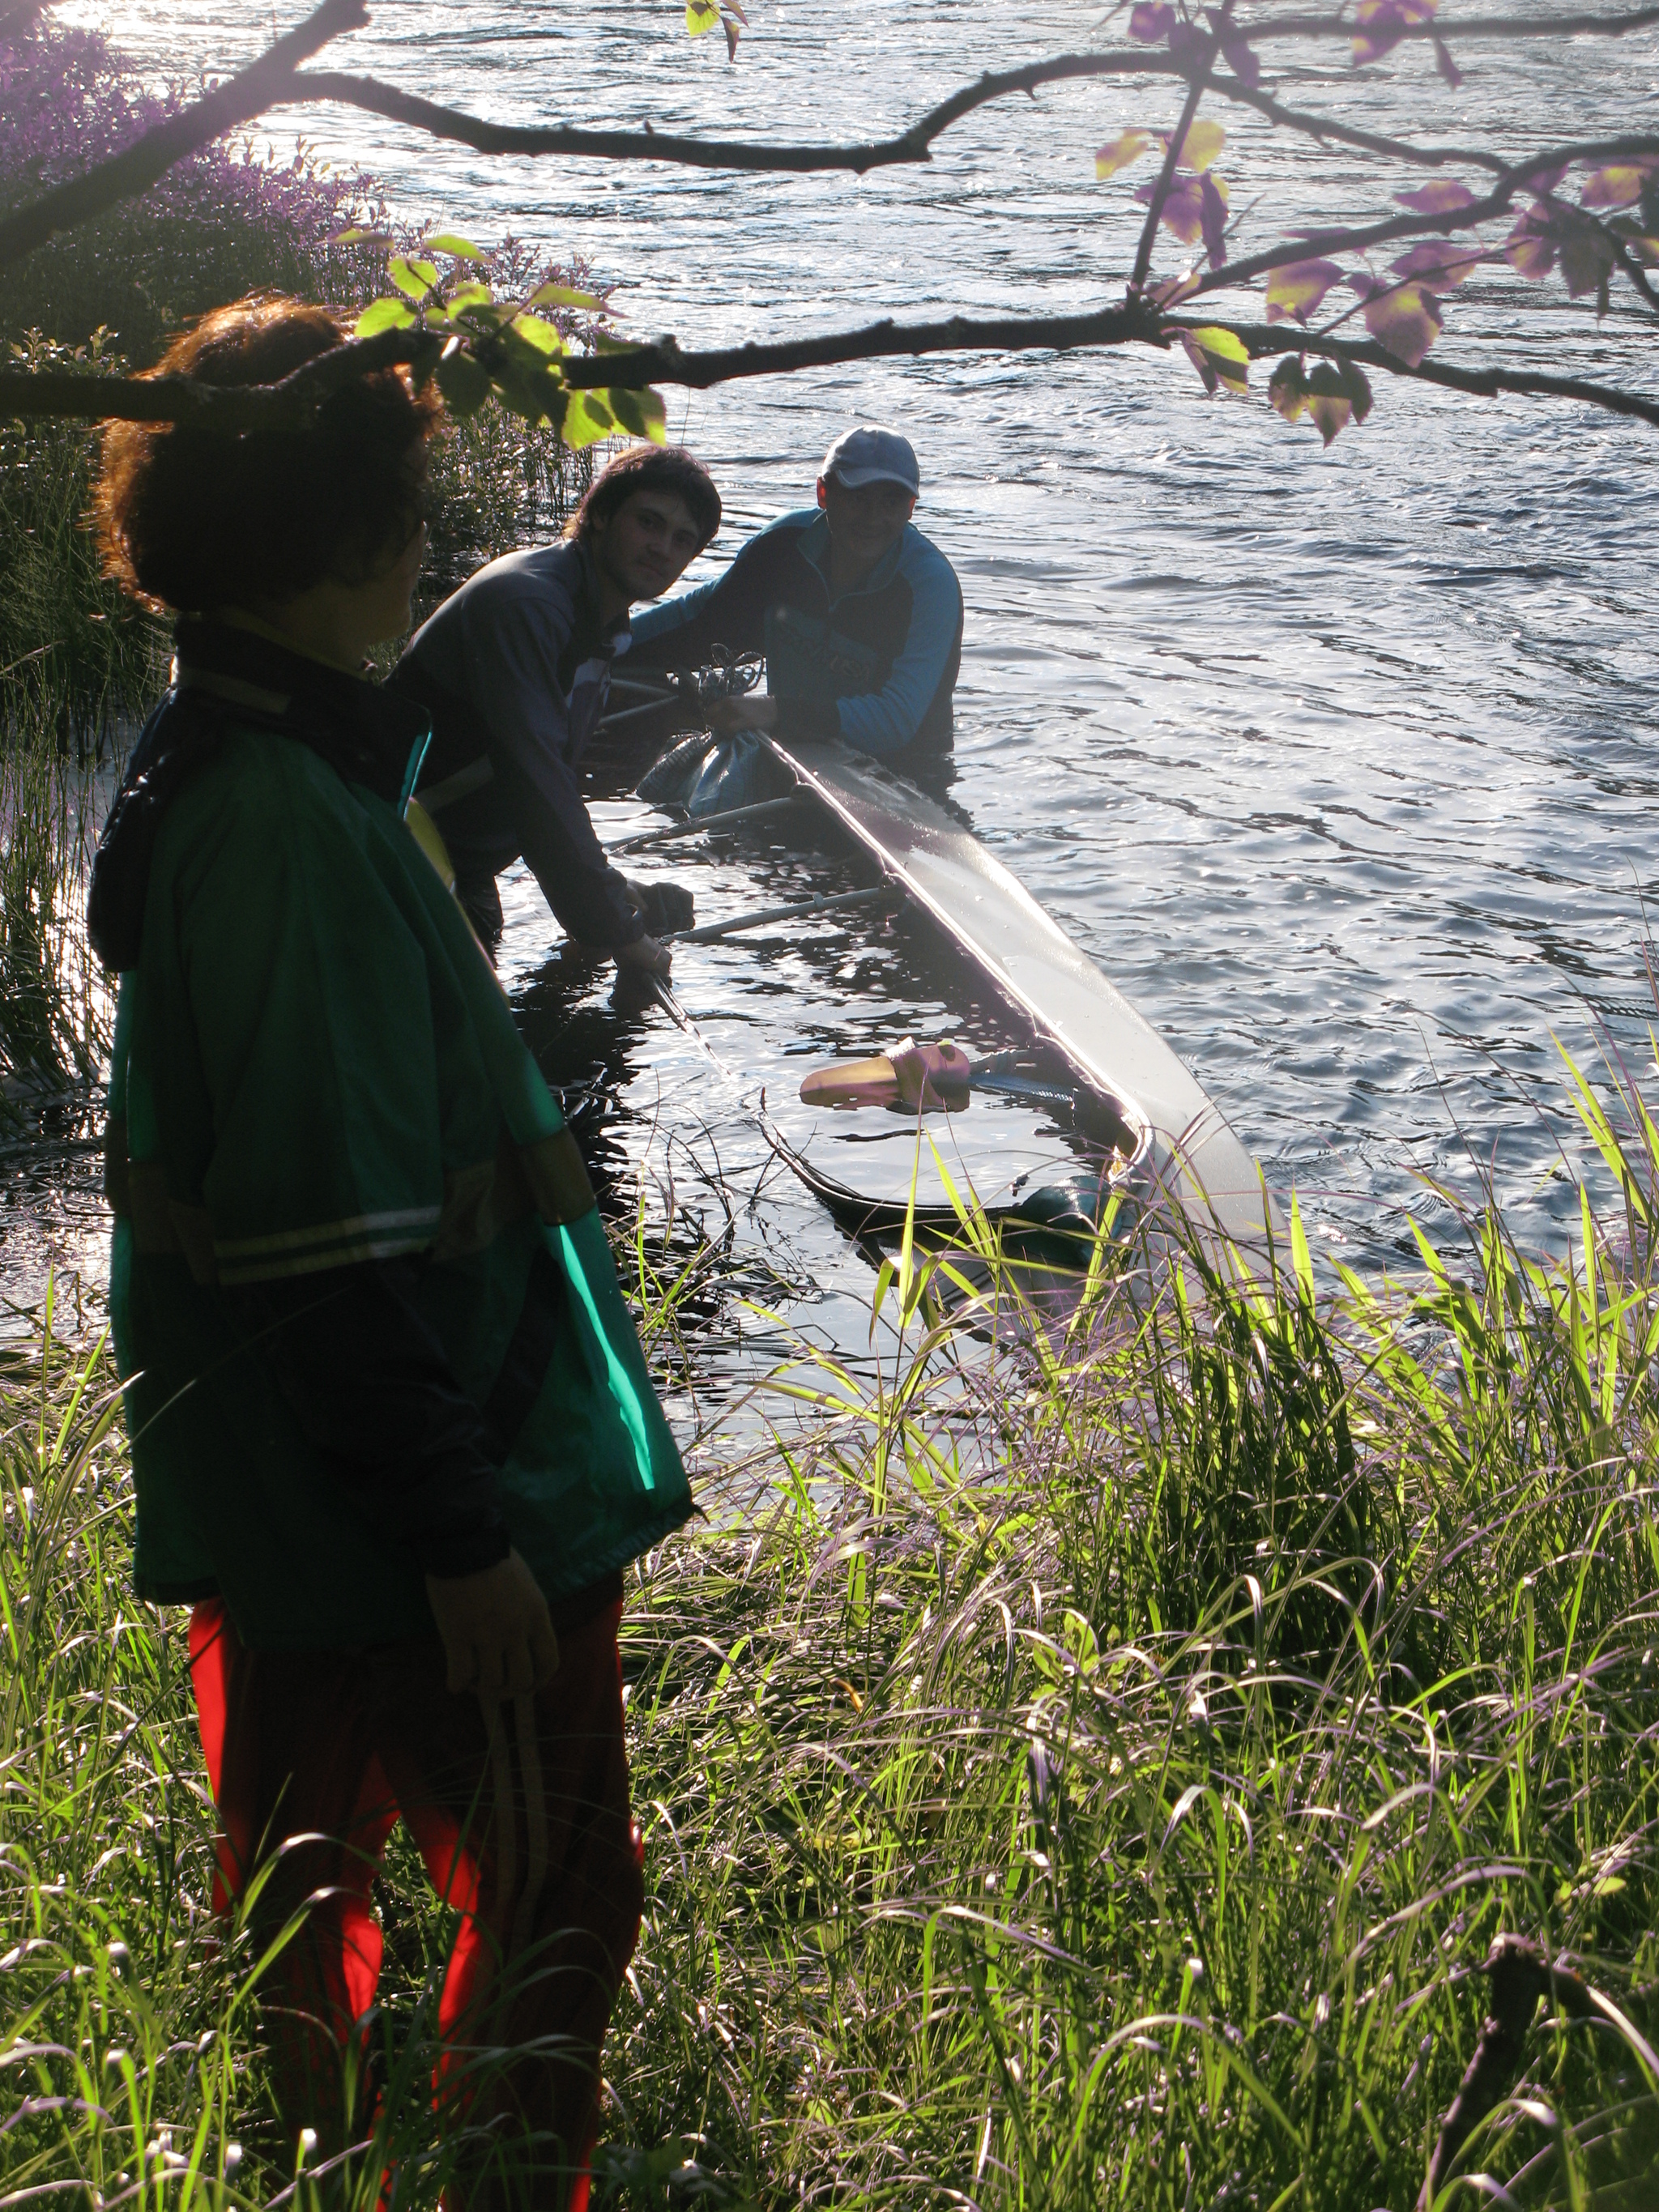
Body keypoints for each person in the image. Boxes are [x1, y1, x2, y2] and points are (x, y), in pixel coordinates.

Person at [91, 296, 693, 2210]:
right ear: (343, 542)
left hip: (308, 1501)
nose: (427, 551)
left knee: (304, 1890)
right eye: (411, 512)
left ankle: (318, 2182)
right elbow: (321, 1253)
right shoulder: (281, 819)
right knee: (548, 1901)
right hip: (410, 1504)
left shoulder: (234, 754)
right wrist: (464, 1539)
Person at [390, 444, 721, 965]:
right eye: (649, 523)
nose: (663, 548)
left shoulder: (597, 619)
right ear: (600, 516)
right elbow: (536, 783)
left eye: (683, 540)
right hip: (391, 849)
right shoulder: (529, 607)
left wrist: (614, 890)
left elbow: (551, 782)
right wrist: (621, 932)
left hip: (453, 861)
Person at [626, 424, 963, 762]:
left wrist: (776, 712)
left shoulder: (930, 585)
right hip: (793, 746)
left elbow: (896, 719)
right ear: (823, 494)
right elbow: (701, 616)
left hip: (910, 770)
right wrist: (608, 644)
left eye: (890, 502)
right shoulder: (782, 546)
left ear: (910, 508)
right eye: (858, 498)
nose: (873, 518)